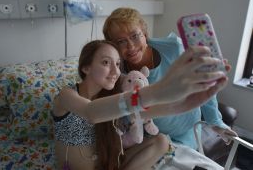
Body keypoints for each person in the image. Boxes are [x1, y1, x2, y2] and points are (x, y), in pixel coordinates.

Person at [52, 39, 228, 170]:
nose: (115, 71)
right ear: (86, 68)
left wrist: (182, 105)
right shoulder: (66, 96)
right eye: (106, 62)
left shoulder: (110, 96)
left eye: (118, 64)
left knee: (161, 141)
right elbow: (91, 112)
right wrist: (160, 89)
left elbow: (139, 111)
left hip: (109, 164)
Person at [103, 7, 237, 150]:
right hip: (151, 138)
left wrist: (215, 121)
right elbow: (124, 112)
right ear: (114, 46)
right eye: (121, 41)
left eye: (135, 36)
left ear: (145, 33)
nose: (130, 46)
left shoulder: (174, 48)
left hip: (186, 132)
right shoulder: (117, 72)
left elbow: (203, 82)